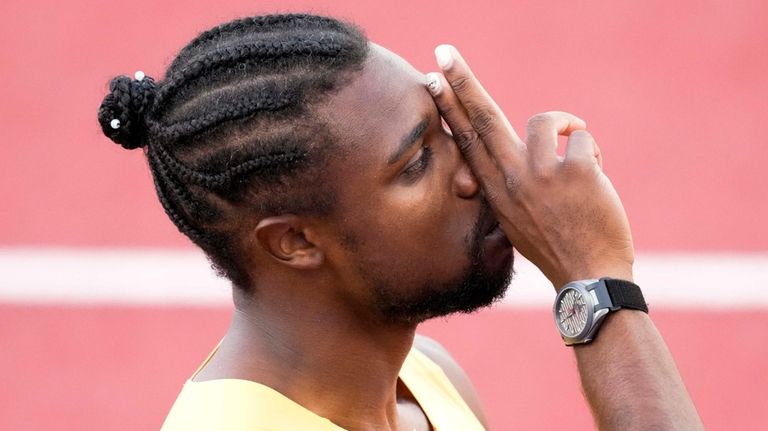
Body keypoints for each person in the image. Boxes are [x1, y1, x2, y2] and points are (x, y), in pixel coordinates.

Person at [97, 14, 703, 431]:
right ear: (296, 241)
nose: (473, 174)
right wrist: (593, 278)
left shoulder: (429, 380)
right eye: (416, 163)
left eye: (448, 128)